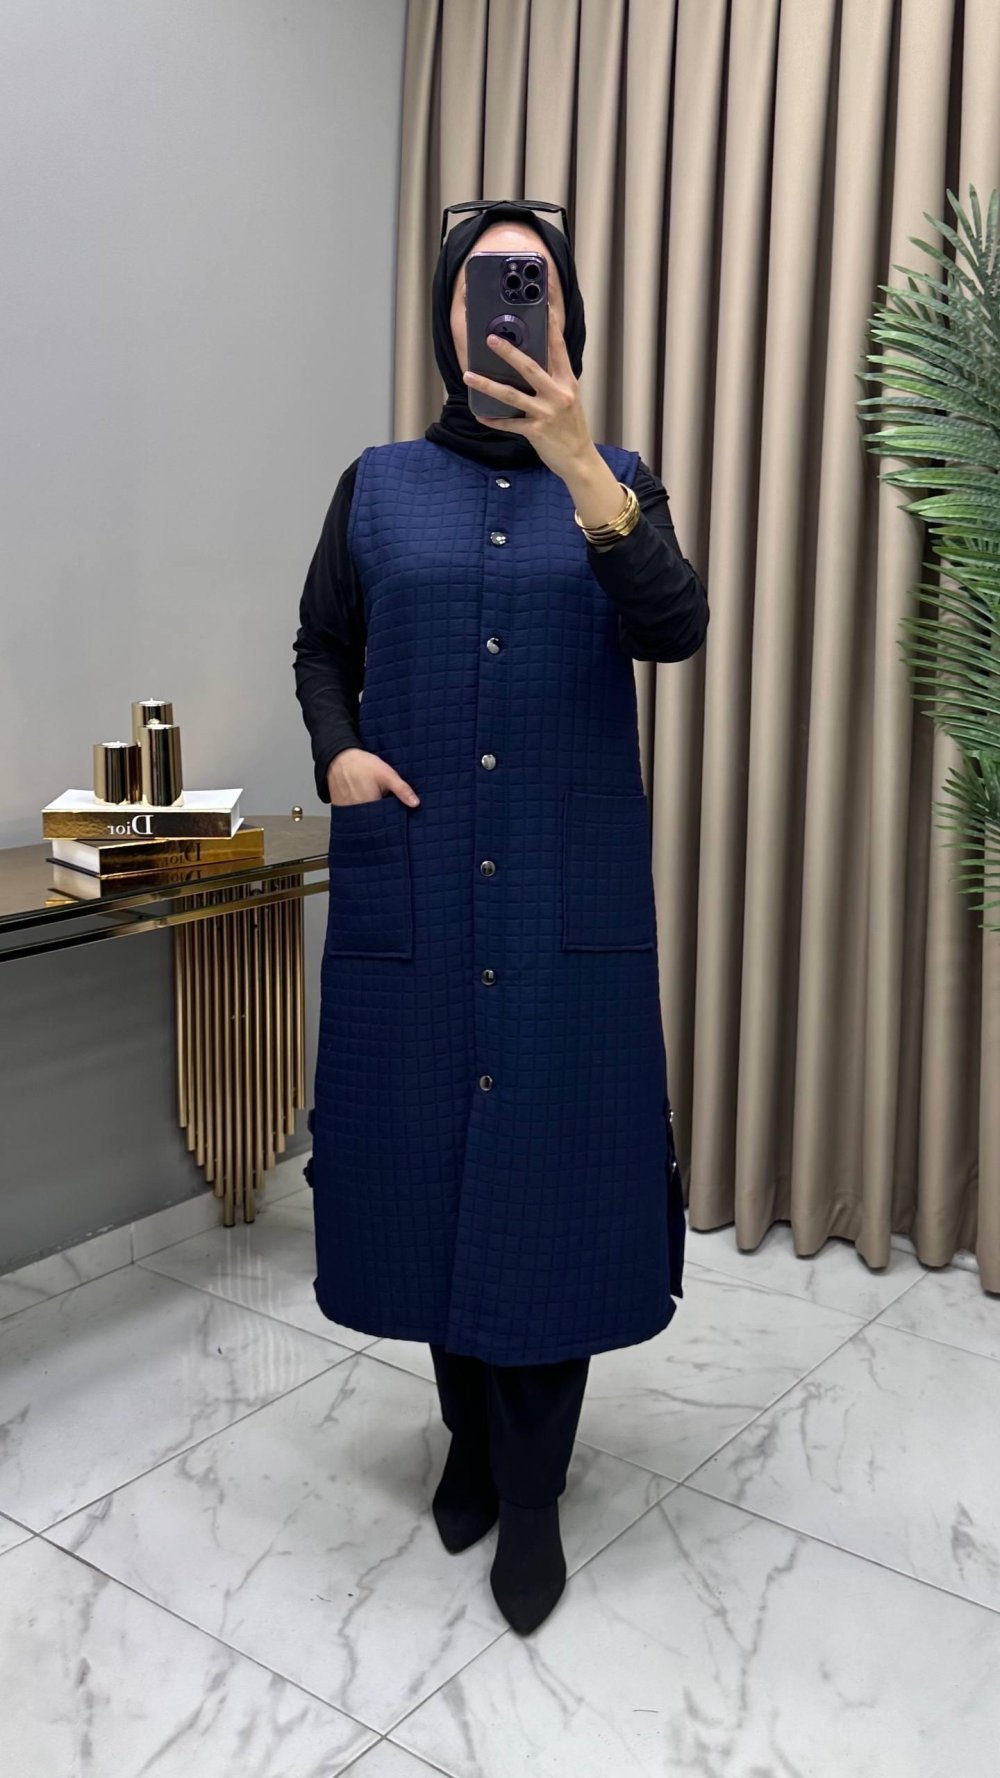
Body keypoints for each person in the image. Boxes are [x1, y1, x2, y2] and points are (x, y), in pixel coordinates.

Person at [293, 198, 708, 1637]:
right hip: (416, 877)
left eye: (531, 286)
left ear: (566, 318)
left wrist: (581, 461)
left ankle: (530, 1491)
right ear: (448, 319)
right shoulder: (375, 486)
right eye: (484, 285)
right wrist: (338, 751)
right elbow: (323, 644)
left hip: (561, 897)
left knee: (551, 1182)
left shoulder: (616, 479)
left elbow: (672, 627)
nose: (507, 306)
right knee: (428, 1172)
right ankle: (467, 1439)